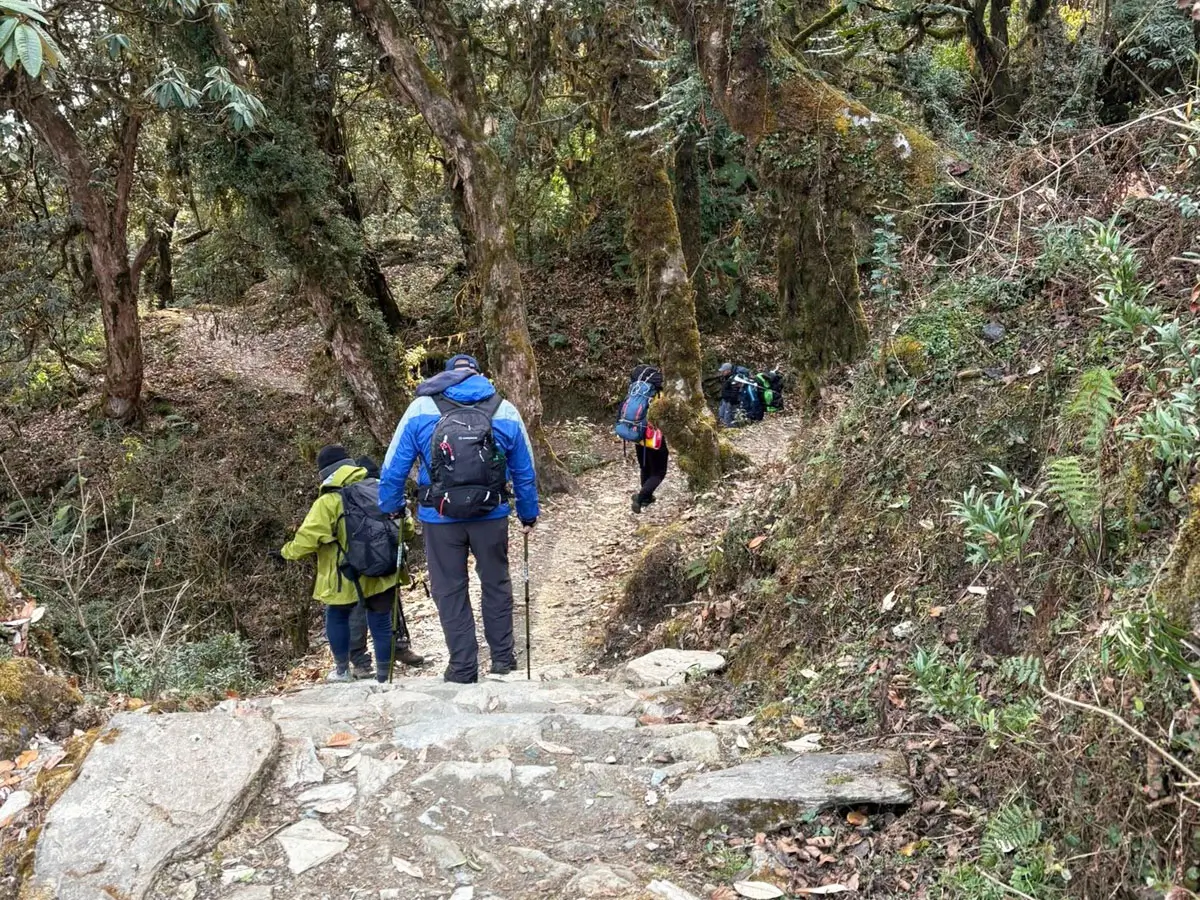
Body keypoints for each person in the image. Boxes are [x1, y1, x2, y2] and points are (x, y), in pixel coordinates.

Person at [378, 354, 539, 684]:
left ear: (447, 376)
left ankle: (463, 667)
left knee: (450, 590)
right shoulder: (504, 409)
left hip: (438, 516)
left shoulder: (421, 409)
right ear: (479, 375)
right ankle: (502, 659)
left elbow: (393, 467)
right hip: (491, 514)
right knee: (495, 583)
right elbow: (525, 470)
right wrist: (528, 512)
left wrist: (390, 507)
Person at [271, 445, 421, 683]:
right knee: (381, 620)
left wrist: (284, 553)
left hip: (345, 575)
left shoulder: (328, 501)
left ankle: (342, 671)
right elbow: (407, 527)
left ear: (325, 473)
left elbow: (307, 540)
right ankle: (384, 676)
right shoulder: (379, 487)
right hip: (384, 570)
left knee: (337, 616)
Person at [345, 455, 424, 677]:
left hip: (356, 563)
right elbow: (407, 529)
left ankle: (360, 662)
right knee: (389, 606)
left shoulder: (345, 496)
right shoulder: (388, 493)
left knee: (358, 609)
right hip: (388, 562)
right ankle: (396, 649)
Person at [627, 364, 668, 514]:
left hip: (638, 435)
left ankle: (646, 497)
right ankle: (640, 498)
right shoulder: (659, 395)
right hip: (653, 437)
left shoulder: (635, 391)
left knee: (645, 466)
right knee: (659, 472)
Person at [718, 362, 743, 427]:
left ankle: (731, 429)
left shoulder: (734, 378)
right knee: (721, 415)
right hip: (725, 400)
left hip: (730, 402)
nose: (722, 372)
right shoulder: (726, 377)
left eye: (724, 371)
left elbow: (735, 391)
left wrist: (730, 402)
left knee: (728, 419)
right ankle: (723, 428)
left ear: (728, 370)